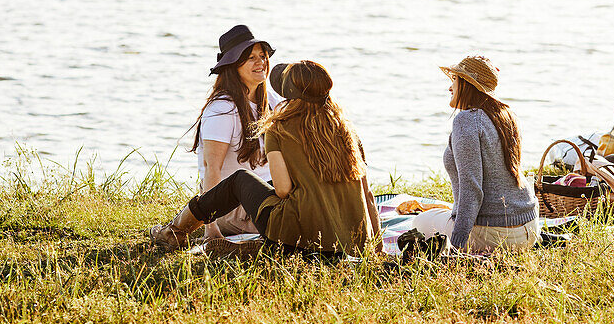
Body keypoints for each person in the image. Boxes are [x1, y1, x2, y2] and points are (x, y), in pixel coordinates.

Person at [153, 60, 381, 255]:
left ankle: (175, 231)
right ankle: (257, 245)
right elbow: (367, 195)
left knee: (240, 180)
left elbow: (282, 190)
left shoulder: (279, 129)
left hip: (301, 241)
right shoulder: (347, 130)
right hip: (354, 243)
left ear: (289, 95)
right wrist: (376, 247)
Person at [414, 55, 538, 253]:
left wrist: (456, 244)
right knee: (442, 212)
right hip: (529, 229)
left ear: (466, 84)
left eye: (453, 80)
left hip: (495, 234)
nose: (449, 87)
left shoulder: (467, 121)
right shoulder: (506, 116)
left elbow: (472, 190)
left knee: (418, 223)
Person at [193, 24, 283, 238]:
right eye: (251, 57)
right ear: (233, 64)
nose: (261, 62)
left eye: (262, 55)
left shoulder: (272, 101)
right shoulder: (223, 108)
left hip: (267, 194)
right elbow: (211, 167)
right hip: (233, 209)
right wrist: (211, 228)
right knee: (293, 223)